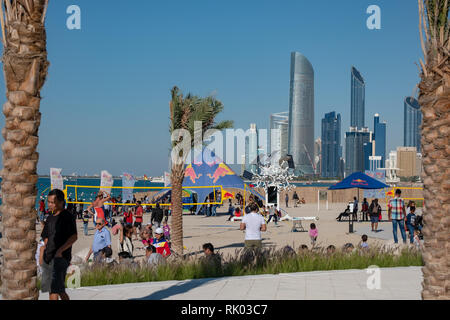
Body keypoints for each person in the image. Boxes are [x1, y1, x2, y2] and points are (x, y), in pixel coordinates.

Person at [40, 189, 78, 300]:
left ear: (61, 202)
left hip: (61, 258)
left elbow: (74, 237)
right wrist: (44, 251)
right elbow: (46, 236)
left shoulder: (67, 216)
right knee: (59, 290)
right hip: (49, 257)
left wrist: (60, 250)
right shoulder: (50, 218)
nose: (50, 204)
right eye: (49, 202)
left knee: (53, 289)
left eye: (52, 202)